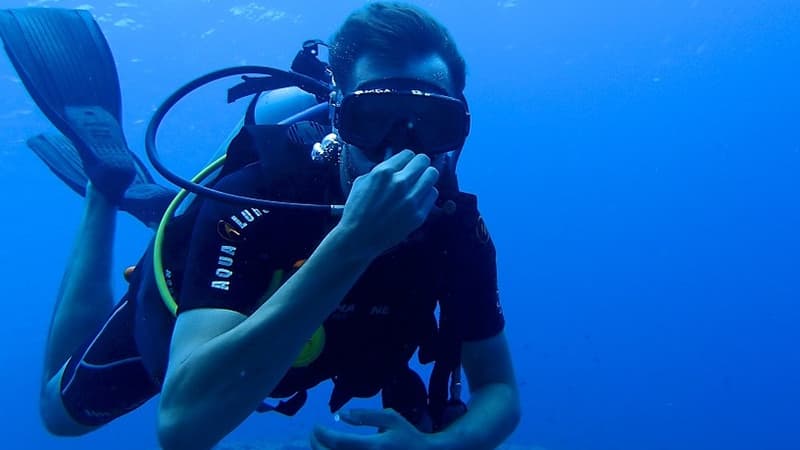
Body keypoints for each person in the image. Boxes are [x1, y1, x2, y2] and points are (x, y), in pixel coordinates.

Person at [3, 2, 520, 449]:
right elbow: (182, 428)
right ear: (339, 115)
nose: (398, 148)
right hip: (217, 274)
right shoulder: (254, 199)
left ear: (459, 128)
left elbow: (498, 389)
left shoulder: (455, 230)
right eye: (372, 118)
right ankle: (104, 186)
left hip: (291, 343)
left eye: (432, 124)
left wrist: (447, 446)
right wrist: (353, 244)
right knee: (60, 419)